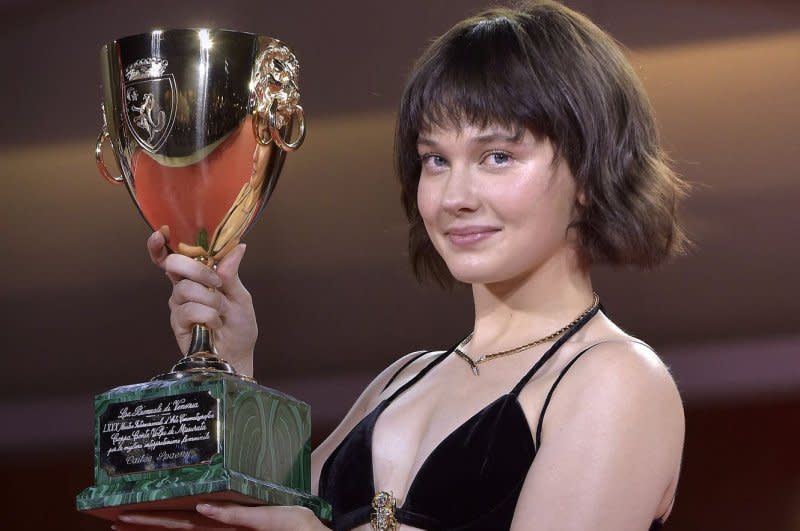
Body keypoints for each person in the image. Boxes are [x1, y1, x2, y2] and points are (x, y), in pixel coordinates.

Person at [117, 1, 686, 529]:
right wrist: (231, 367)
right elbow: (258, 514)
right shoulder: (401, 379)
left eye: (497, 156)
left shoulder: (618, 379)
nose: (454, 195)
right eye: (435, 159)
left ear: (588, 171)